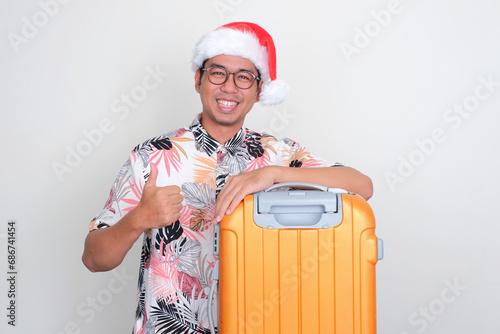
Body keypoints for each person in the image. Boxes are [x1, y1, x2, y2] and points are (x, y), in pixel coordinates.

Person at [82, 22, 373, 334]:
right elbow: (94, 259)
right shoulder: (151, 156)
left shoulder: (278, 154)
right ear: (199, 79)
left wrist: (272, 174)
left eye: (244, 77)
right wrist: (138, 219)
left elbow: (362, 185)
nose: (230, 87)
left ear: (260, 90)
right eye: (218, 72)